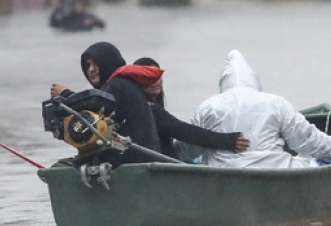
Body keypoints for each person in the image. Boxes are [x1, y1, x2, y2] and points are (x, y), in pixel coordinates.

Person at [49, 41, 243, 165]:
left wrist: (66, 94)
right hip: (138, 162)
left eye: (96, 64)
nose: (91, 70)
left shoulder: (120, 88)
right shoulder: (118, 91)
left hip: (146, 166)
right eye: (87, 65)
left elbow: (187, 132)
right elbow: (94, 112)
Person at [190, 49, 331, 169]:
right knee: (313, 162)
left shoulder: (208, 107)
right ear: (255, 81)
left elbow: (189, 147)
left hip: (222, 174)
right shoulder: (275, 103)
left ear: (223, 83)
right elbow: (305, 139)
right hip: (272, 169)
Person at [130, 56, 248, 162]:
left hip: (163, 157)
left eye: (157, 76)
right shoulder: (149, 109)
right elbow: (184, 132)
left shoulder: (141, 105)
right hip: (164, 163)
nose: (154, 82)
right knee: (203, 134)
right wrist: (228, 141)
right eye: (147, 77)